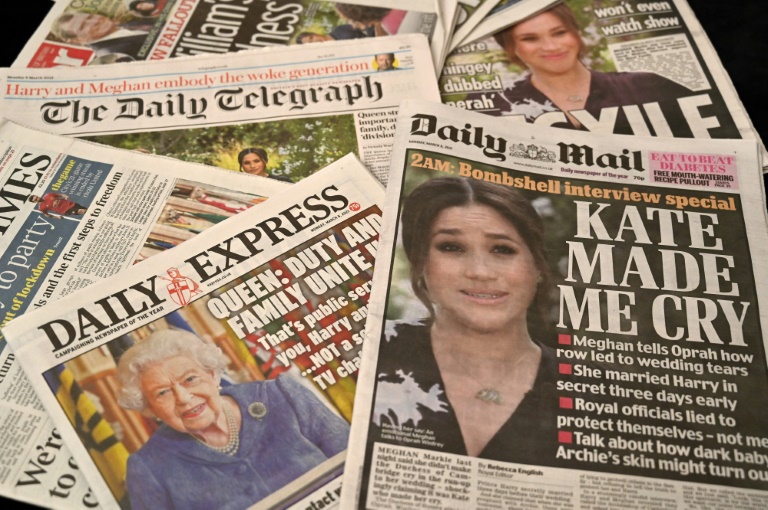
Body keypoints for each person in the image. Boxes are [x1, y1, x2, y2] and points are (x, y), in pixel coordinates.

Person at [372, 177, 559, 463]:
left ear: (538, 268)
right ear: (420, 263)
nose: (480, 272)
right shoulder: (373, 347)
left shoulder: (594, 389)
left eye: (502, 249)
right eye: (451, 247)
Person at [117, 329, 349, 510]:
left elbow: (358, 460)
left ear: (212, 374)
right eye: (162, 393)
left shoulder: (282, 395)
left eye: (190, 379)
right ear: (150, 408)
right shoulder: (148, 467)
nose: (184, 398)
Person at [488, 3, 695, 133]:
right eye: (530, 39)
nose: (551, 46)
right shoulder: (500, 106)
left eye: (559, 33)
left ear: (576, 34)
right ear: (511, 48)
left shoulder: (648, 86)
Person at [50, 11, 153, 59]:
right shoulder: (111, 54)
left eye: (90, 17)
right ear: (78, 40)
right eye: (83, 26)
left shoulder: (130, 23)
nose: (94, 22)